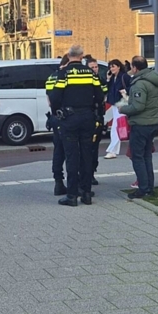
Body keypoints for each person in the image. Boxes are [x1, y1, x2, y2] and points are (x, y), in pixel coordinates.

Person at [46, 45, 104, 207]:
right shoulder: (90, 73)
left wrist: (61, 110)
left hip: (69, 118)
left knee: (72, 156)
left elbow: (55, 97)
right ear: (82, 56)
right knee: (87, 155)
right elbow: (99, 96)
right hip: (88, 117)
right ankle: (86, 194)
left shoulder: (63, 74)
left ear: (69, 56)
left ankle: (72, 196)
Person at [117, 56, 158, 199]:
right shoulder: (154, 80)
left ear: (135, 67)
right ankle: (149, 187)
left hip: (141, 123)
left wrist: (123, 109)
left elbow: (138, 106)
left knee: (137, 157)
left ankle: (143, 189)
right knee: (147, 156)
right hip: (153, 122)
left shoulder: (139, 84)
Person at [83, 55, 109, 185]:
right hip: (89, 117)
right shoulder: (86, 80)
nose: (95, 69)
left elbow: (104, 93)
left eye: (96, 66)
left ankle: (92, 172)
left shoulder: (100, 79)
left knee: (95, 149)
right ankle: (86, 175)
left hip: (98, 116)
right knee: (87, 148)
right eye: (92, 67)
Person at [104, 59, 131, 159]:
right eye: (110, 67)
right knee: (117, 126)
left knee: (116, 126)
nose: (112, 68)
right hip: (115, 104)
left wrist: (125, 91)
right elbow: (107, 89)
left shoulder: (124, 76)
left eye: (113, 66)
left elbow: (131, 87)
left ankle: (112, 150)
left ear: (119, 66)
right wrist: (108, 79)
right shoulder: (112, 78)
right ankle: (113, 150)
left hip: (122, 104)